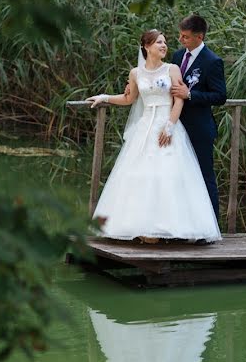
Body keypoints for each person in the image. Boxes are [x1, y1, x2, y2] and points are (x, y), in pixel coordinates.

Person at [86, 29, 221, 243]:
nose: (164, 45)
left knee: (170, 175)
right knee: (139, 176)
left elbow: (179, 100)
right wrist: (105, 97)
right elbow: (129, 98)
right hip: (145, 127)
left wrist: (169, 126)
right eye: (159, 42)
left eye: (165, 42)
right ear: (147, 47)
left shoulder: (172, 69)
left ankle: (171, 229)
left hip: (168, 125)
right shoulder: (135, 73)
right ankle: (142, 228)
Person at [169, 14, 227, 220]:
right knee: (178, 177)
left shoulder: (212, 61)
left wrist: (190, 94)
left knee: (204, 176)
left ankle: (210, 227)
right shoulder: (177, 56)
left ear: (199, 37)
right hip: (177, 126)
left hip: (199, 128)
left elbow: (220, 96)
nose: (181, 40)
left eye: (185, 37)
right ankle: (183, 224)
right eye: (180, 35)